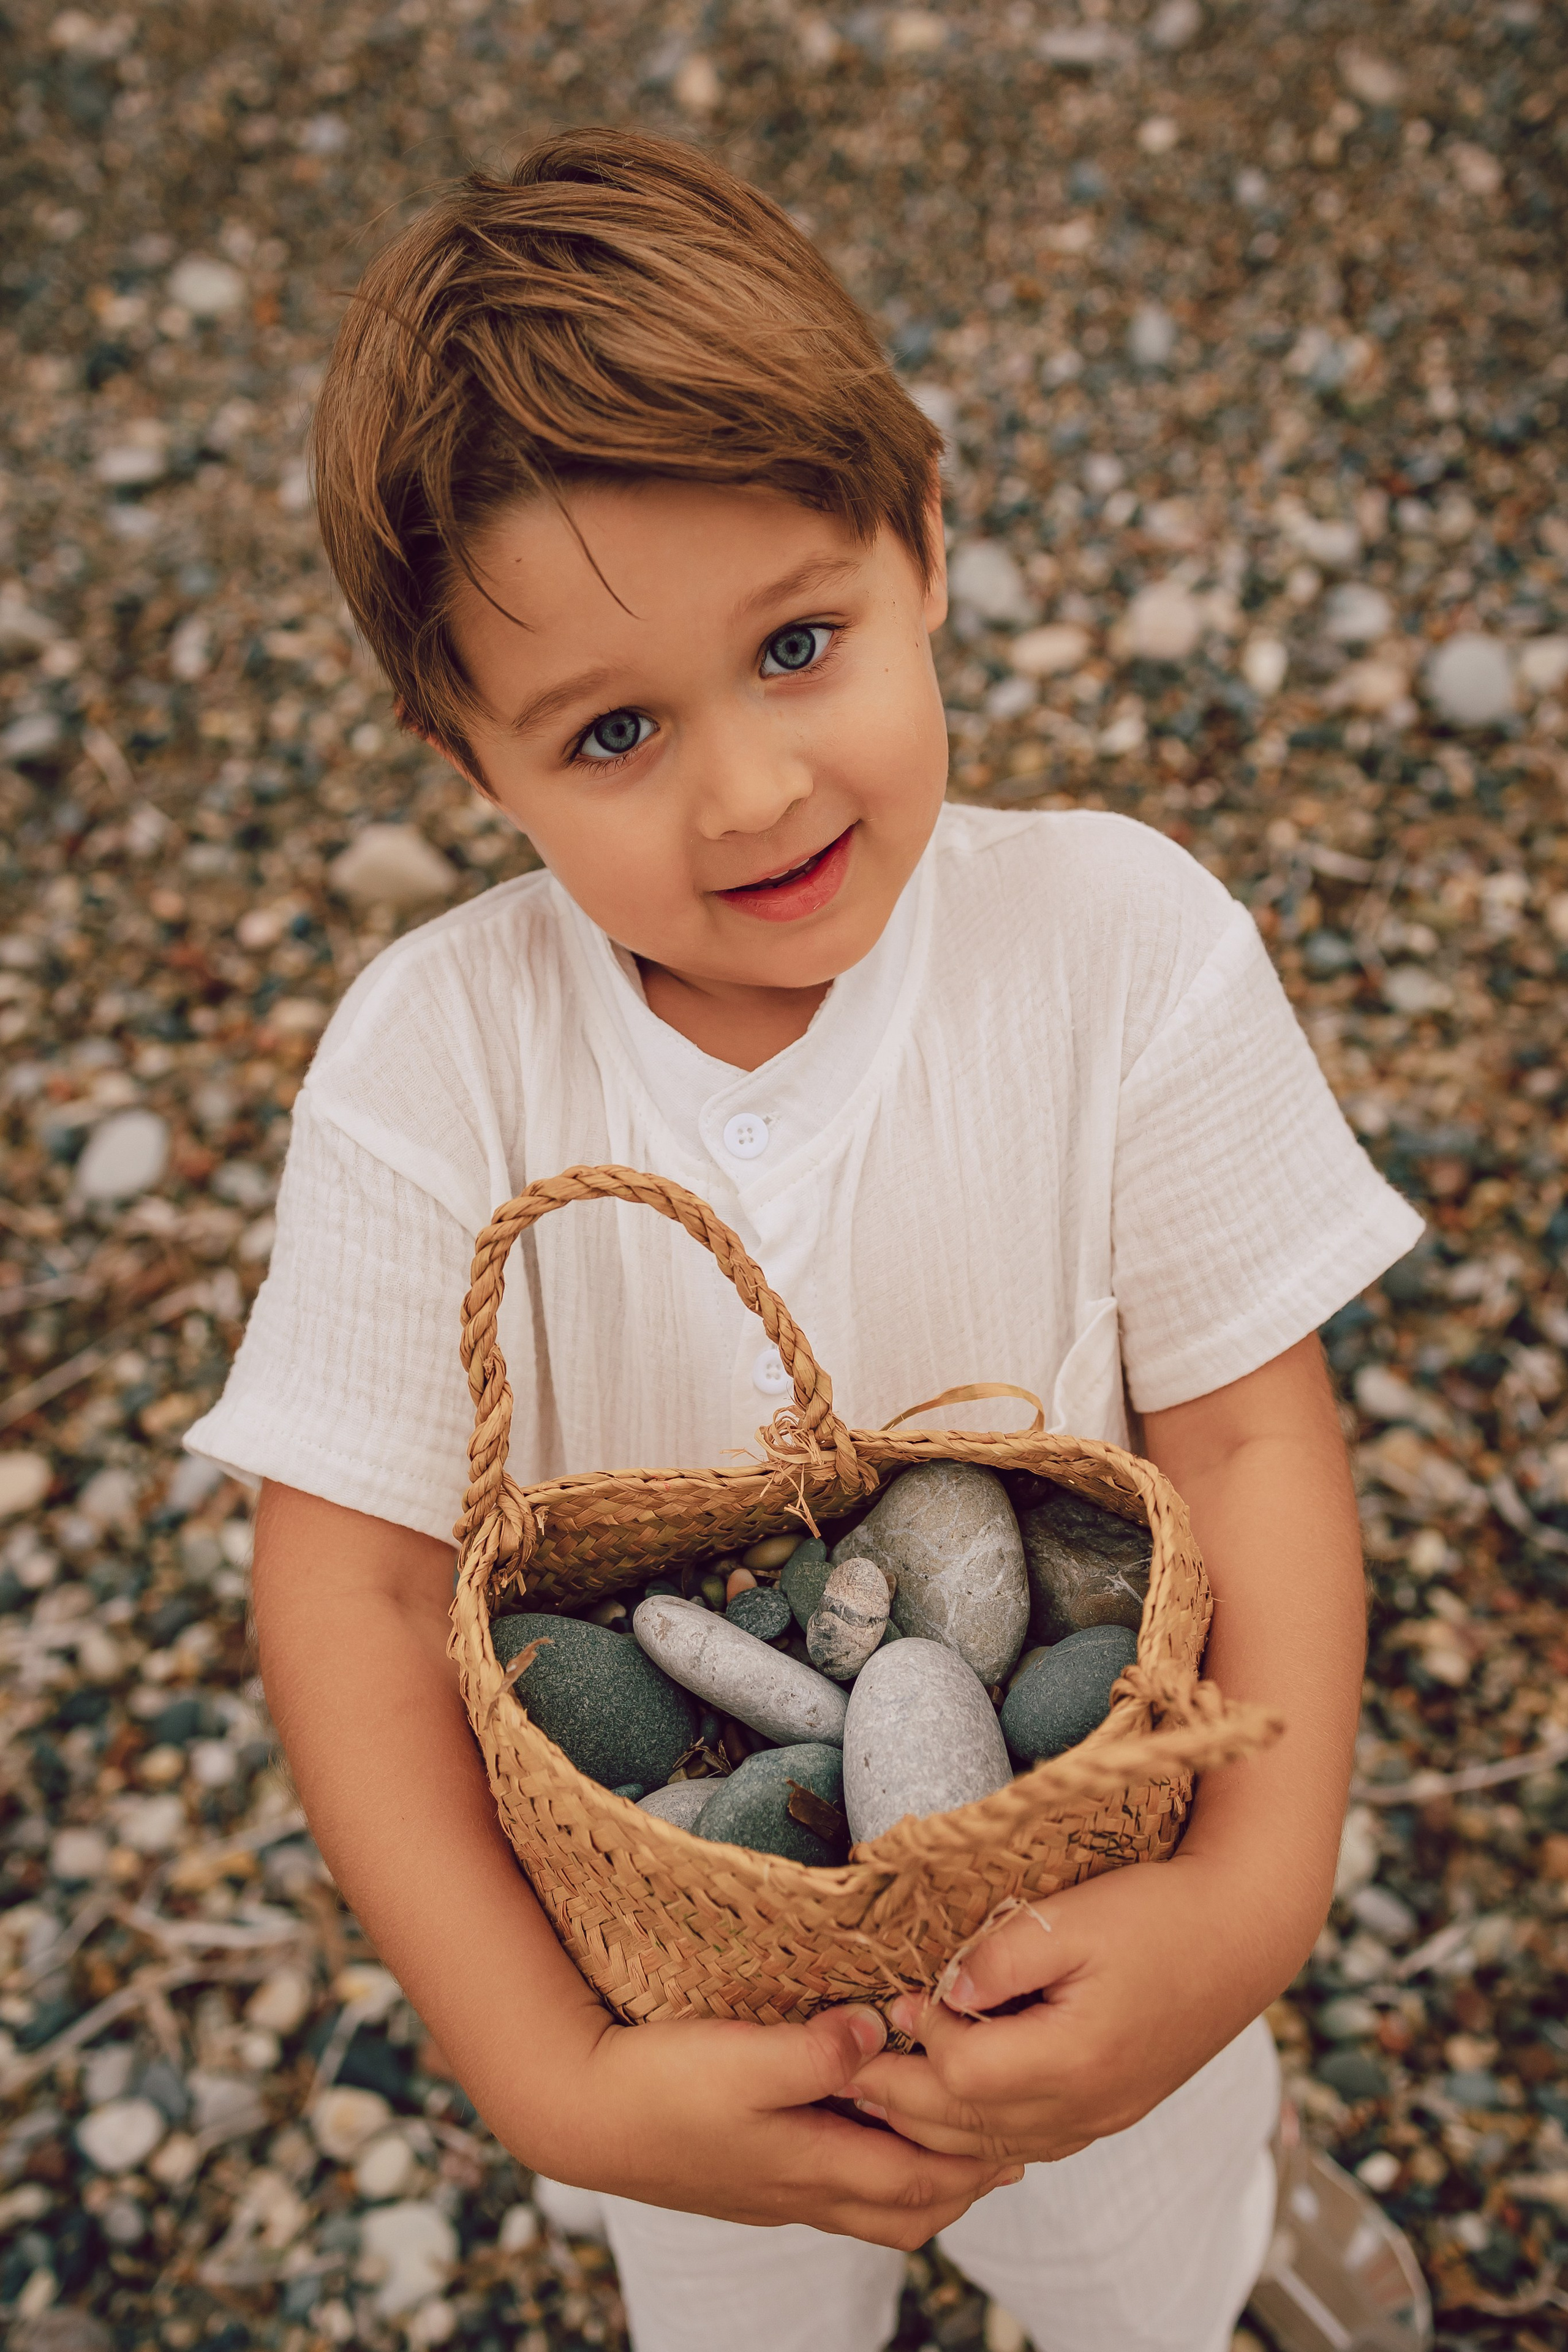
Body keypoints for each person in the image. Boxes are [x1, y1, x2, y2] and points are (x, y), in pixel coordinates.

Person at [186, 129, 1430, 2352]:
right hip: (680, 1981)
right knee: (747, 2314)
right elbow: (349, 1579)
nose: (749, 791)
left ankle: (1233, 2229)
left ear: (925, 544)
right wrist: (548, 2074)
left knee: (1150, 2252)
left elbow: (1253, 1452)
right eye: (616, 729)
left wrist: (1242, 1918)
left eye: (797, 640)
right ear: (475, 763)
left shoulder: (1117, 947)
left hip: (1088, 1905)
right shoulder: (433, 1062)